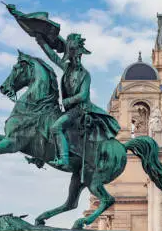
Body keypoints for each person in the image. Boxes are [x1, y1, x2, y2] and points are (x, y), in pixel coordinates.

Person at [35, 33, 120, 170]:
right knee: (44, 121)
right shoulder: (67, 68)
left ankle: (64, 158)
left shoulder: (85, 74)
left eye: (78, 55)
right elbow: (53, 56)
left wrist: (68, 101)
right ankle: (40, 157)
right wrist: (40, 41)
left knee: (56, 127)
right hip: (69, 109)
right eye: (74, 55)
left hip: (80, 109)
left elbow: (83, 95)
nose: (76, 58)